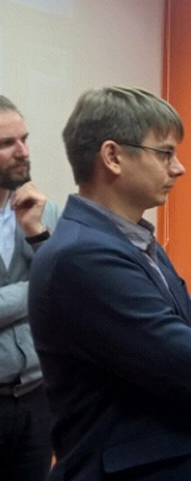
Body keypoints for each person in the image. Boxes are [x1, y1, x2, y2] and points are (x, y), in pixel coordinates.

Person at [28, 86, 191, 481]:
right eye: (165, 153)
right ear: (112, 157)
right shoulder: (83, 257)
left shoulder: (138, 242)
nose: (178, 168)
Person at [0, 95, 59, 480]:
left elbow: (69, 293)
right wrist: (37, 289)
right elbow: (50, 289)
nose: (23, 151)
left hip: (37, 399)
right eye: (7, 143)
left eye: (24, 139)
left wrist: (38, 234)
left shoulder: (44, 211)